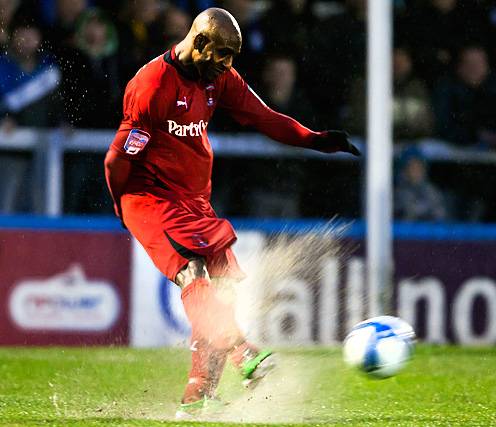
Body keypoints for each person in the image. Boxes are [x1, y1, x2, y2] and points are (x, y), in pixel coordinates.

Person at [103, 7, 359, 417]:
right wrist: (121, 204)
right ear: (199, 42)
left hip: (193, 201)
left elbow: (265, 118)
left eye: (232, 57)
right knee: (193, 272)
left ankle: (197, 396)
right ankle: (242, 351)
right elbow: (118, 157)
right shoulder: (151, 85)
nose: (227, 65)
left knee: (226, 285)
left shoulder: (218, 77)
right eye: (222, 54)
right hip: (150, 197)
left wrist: (317, 141)